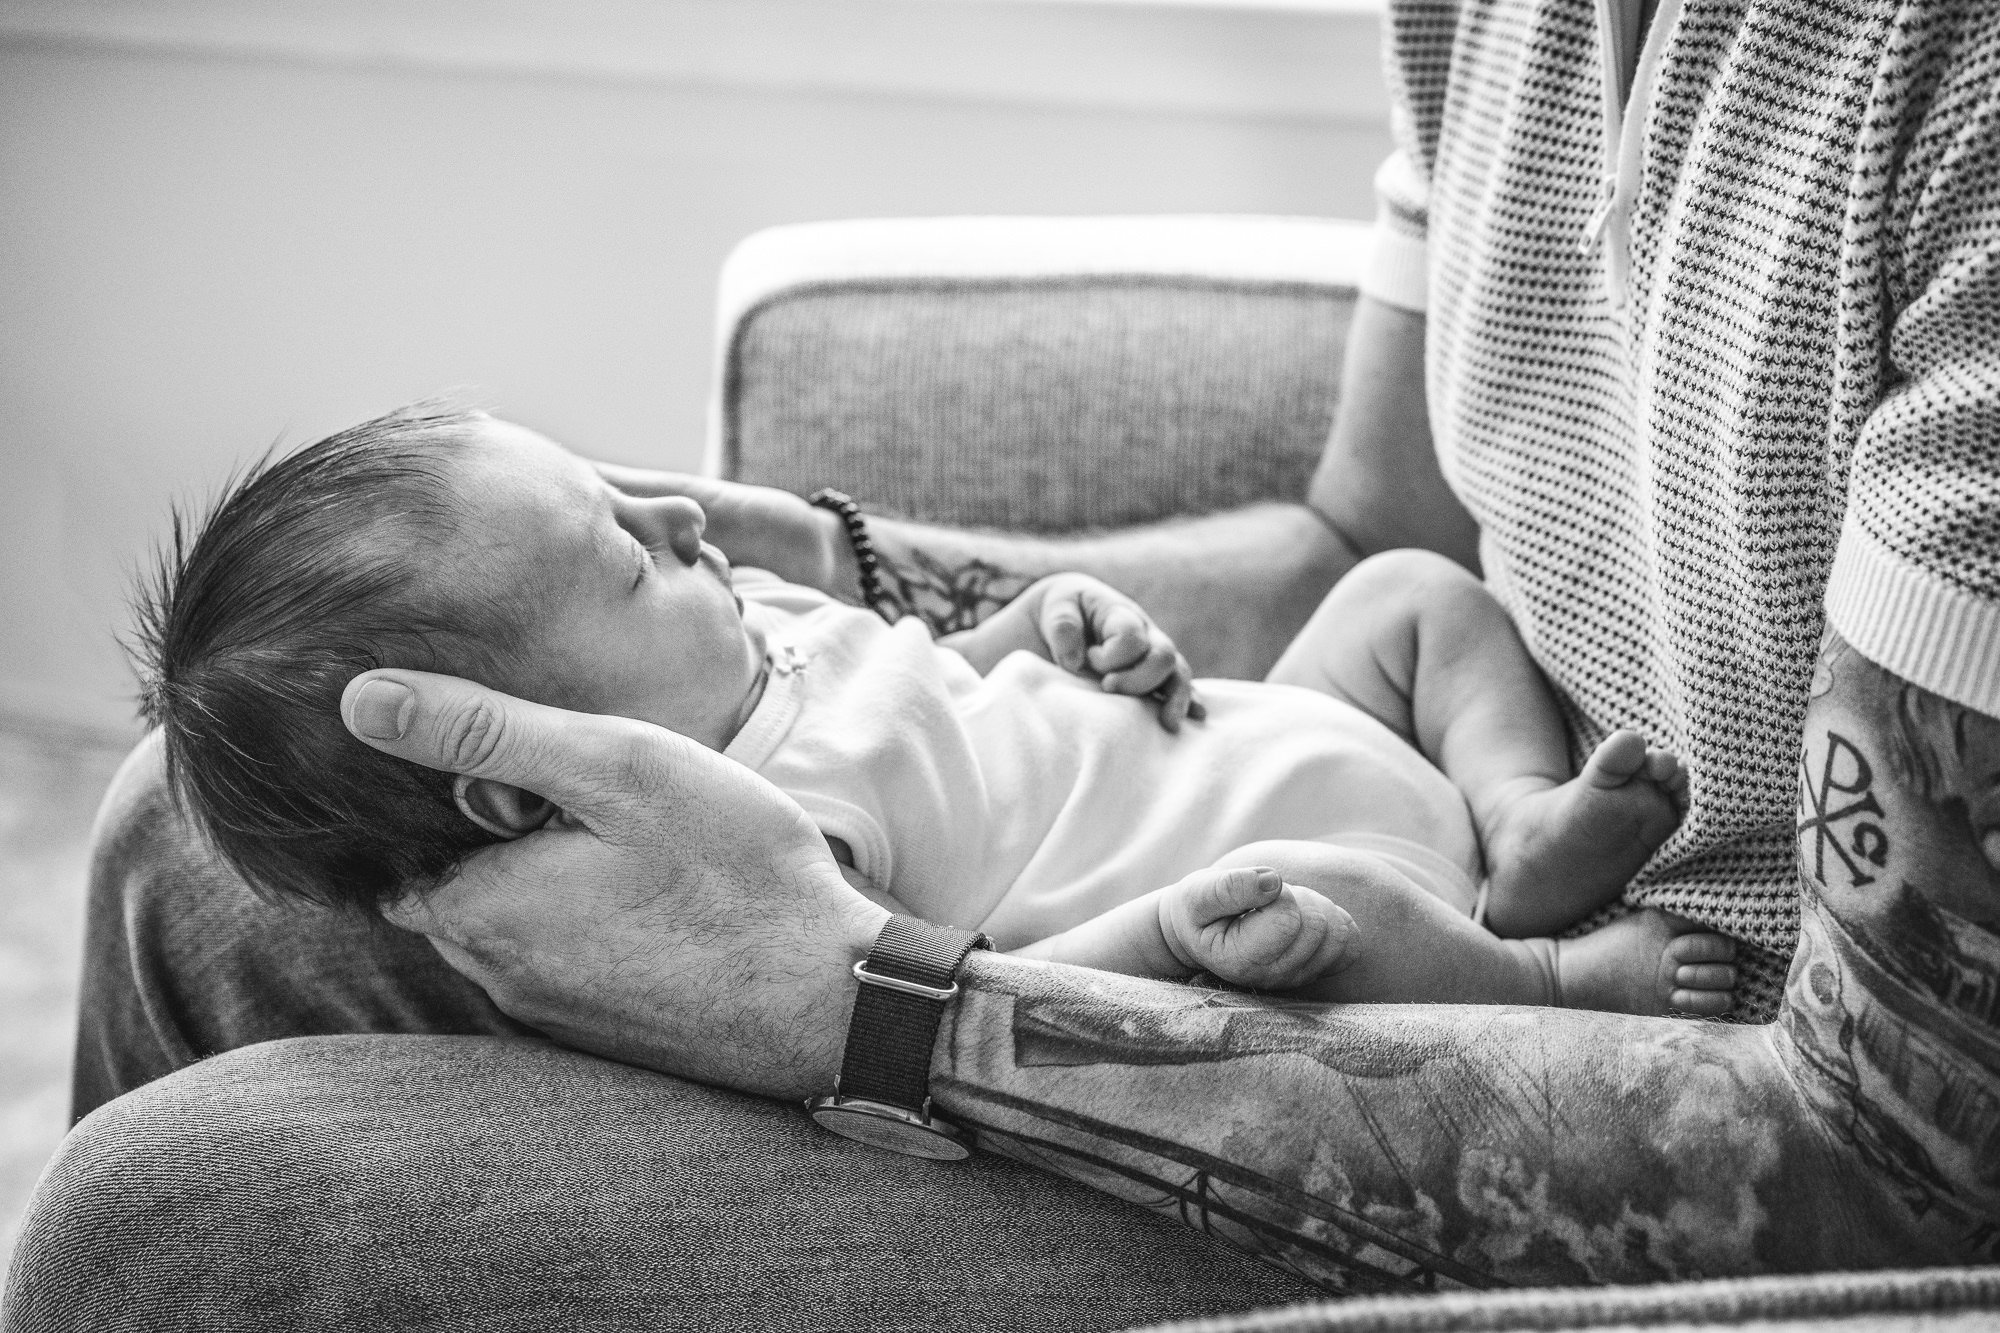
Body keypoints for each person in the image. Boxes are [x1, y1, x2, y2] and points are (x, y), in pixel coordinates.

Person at [18, 0, 1997, 1315]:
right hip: (1365, 775)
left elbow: (1902, 1168)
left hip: (1704, 1082)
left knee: (162, 1226)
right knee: (182, 844)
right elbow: (1369, 541)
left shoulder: (1953, 97)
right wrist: (843, 562)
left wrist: (873, 1011)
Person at [136, 407, 1732, 1014]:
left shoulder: (753, 636)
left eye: (628, 491)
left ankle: (1518, 816)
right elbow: (966, 990)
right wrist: (1171, 939)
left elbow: (962, 688)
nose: (690, 521)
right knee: (1364, 907)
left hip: (1271, 723)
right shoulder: (758, 835)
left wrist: (1053, 624)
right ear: (508, 773)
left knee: (1409, 598)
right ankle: (1538, 963)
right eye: (625, 554)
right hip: (1262, 866)